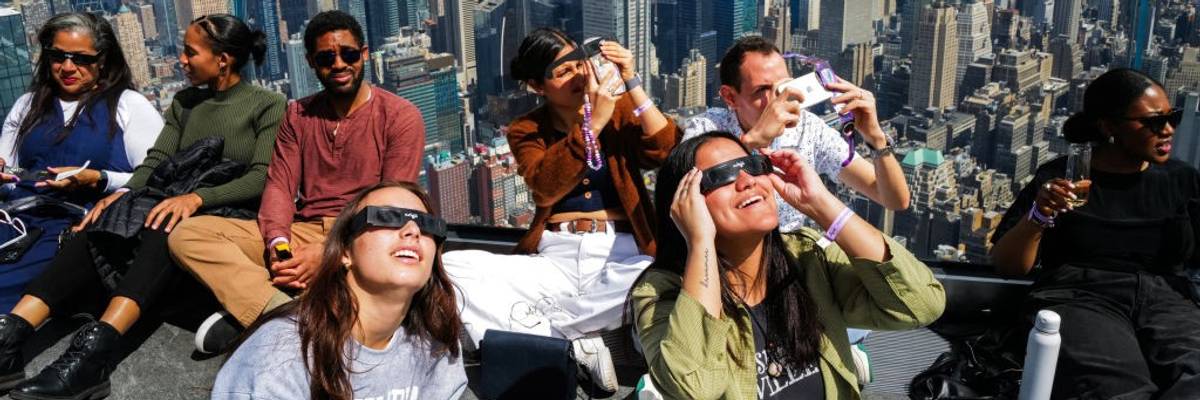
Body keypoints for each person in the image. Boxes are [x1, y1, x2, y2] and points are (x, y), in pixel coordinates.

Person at [0, 13, 285, 400]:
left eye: (189, 52)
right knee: (99, 223)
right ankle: (11, 336)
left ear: (223, 59)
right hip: (179, 201)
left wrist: (198, 198)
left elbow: (260, 176)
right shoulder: (185, 102)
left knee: (162, 227)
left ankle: (92, 357)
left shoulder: (267, 104)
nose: (181, 60)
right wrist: (121, 194)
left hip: (227, 211)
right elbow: (155, 161)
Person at [168, 10, 426, 354]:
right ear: (310, 63)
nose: (339, 64)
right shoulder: (298, 115)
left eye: (348, 54)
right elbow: (279, 185)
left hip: (366, 235)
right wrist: (280, 244)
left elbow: (391, 204)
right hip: (302, 230)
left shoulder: (400, 117)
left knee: (378, 269)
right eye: (326, 57)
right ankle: (285, 314)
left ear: (364, 55)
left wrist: (328, 252)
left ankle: (263, 305)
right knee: (188, 235)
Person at [442, 27, 679, 391]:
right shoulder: (527, 129)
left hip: (620, 254)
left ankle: (551, 334)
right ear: (538, 86)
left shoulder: (618, 111)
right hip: (556, 254)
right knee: (452, 267)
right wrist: (591, 125)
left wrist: (631, 79)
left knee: (665, 279)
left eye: (577, 64)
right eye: (561, 71)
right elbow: (544, 186)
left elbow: (664, 151)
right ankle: (577, 338)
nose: (578, 75)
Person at [631, 131, 944, 399]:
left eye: (753, 166)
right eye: (721, 175)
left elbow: (920, 304)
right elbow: (694, 388)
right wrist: (699, 241)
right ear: (685, 204)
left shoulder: (806, 258)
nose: (745, 180)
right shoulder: (660, 294)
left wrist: (822, 205)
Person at [990, 68, 1200, 399]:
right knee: (1117, 389)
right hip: (1081, 298)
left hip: (1168, 301)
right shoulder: (1062, 180)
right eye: (1154, 122)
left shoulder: (1183, 180)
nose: (1169, 129)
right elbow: (1008, 266)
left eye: (1173, 117)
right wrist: (1040, 213)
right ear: (1108, 127)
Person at [213, 182, 466, 400]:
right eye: (387, 217)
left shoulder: (437, 344)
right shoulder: (282, 354)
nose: (413, 231)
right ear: (345, 251)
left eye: (427, 224)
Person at [0, 12, 162, 314]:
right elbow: (6, 163)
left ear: (103, 60)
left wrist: (100, 179)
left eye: (81, 58)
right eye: (58, 56)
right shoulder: (27, 105)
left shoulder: (128, 106)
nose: (68, 67)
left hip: (72, 230)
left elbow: (156, 178)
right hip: (15, 218)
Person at [684, 36, 909, 233]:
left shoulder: (809, 130)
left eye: (784, 87)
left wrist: (876, 138)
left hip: (789, 258)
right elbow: (678, 193)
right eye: (762, 90)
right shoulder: (705, 128)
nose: (778, 100)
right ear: (730, 98)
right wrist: (752, 142)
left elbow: (893, 199)